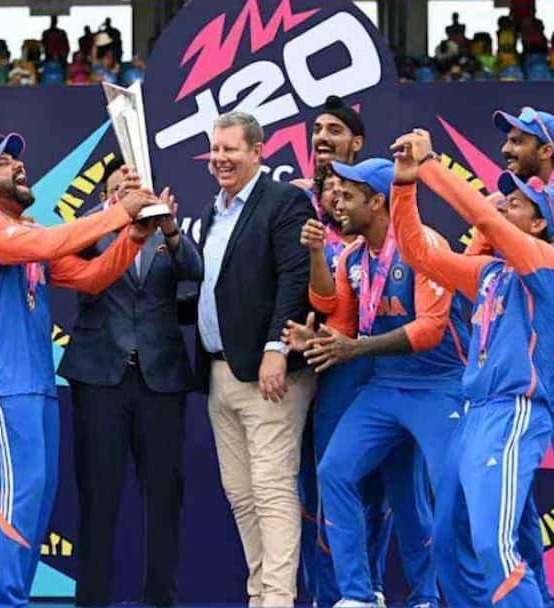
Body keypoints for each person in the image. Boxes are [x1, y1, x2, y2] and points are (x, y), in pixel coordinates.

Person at [0, 130, 160, 607]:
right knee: (19, 495)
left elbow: (91, 277)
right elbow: (51, 243)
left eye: (16, 159)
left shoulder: (25, 233)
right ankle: (6, 598)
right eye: (3, 163)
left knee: (37, 498)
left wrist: (133, 237)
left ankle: (1, 591)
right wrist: (120, 211)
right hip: (1, 383)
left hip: (37, 384)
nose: (17, 165)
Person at [390, 128, 554, 607]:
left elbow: (482, 218)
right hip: (474, 414)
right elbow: (418, 254)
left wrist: (431, 164)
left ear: (538, 223)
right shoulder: (491, 273)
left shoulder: (547, 265)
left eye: (515, 204)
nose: (503, 207)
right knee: (449, 545)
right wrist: (403, 185)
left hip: (513, 413)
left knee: (494, 546)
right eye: (503, 201)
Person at [296, 158, 468, 608]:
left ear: (377, 202)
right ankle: (358, 595)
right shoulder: (352, 257)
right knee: (334, 471)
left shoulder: (424, 245)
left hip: (439, 384)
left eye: (348, 196)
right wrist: (317, 340)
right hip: (384, 387)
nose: (336, 203)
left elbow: (431, 330)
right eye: (335, 194)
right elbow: (345, 326)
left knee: (433, 493)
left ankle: (429, 597)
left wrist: (356, 348)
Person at [57, 156, 202, 607]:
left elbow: (194, 272)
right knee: (98, 498)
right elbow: (67, 253)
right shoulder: (89, 230)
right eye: (121, 187)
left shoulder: (164, 233)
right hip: (101, 378)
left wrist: (171, 230)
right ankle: (92, 601)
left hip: (161, 380)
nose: (131, 193)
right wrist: (114, 214)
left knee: (164, 498)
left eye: (138, 187)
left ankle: (160, 600)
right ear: (105, 196)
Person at [195, 110, 316, 608]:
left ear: (258, 151)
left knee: (271, 489)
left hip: (269, 375)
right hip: (220, 371)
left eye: (230, 149)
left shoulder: (284, 200)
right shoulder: (213, 211)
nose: (220, 159)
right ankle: (260, 594)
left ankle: (278, 599)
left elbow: (295, 278)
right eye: (215, 149)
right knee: (241, 494)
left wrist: (275, 349)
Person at [474, 106, 554, 607]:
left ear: (547, 150)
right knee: (509, 500)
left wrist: (550, 264)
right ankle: (533, 596)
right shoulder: (499, 206)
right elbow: (473, 269)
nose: (506, 149)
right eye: (507, 140)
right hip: (511, 375)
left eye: (518, 141)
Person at [290, 98, 396, 608]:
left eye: (335, 129)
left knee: (374, 488)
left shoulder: (375, 211)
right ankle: (327, 596)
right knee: (315, 488)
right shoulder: (292, 199)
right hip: (303, 368)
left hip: (364, 367)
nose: (322, 137)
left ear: (356, 143)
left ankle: (369, 590)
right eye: (317, 129)